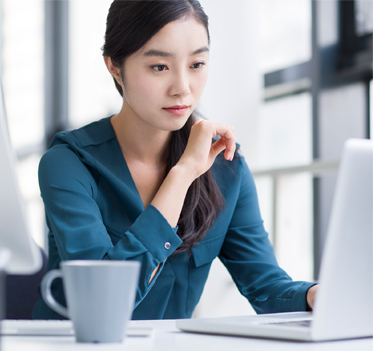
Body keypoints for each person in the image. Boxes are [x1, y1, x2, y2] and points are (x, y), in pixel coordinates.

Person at [32, 0, 318, 320]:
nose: (182, 89)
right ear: (114, 66)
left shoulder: (226, 167)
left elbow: (265, 286)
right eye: (159, 67)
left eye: (196, 64)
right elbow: (102, 304)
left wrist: (314, 295)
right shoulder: (68, 164)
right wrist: (182, 174)